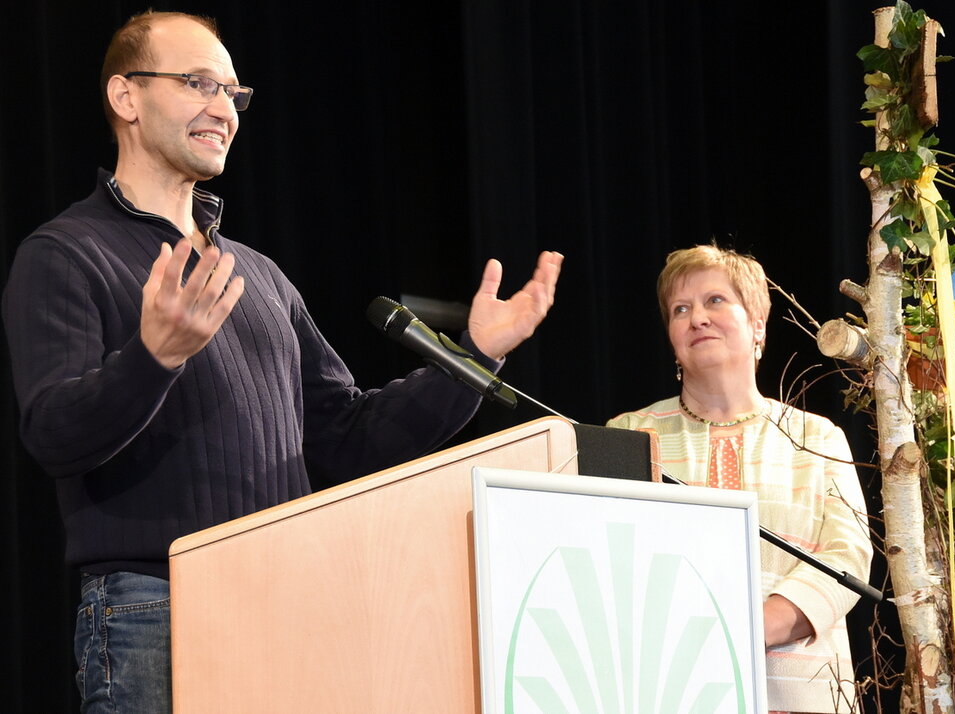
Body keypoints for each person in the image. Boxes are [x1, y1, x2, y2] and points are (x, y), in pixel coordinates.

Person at [1, 11, 562, 714]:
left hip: (288, 602)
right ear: (126, 98)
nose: (223, 110)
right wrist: (153, 358)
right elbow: (53, 433)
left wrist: (475, 356)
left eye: (233, 93)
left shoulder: (258, 276)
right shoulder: (65, 255)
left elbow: (348, 438)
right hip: (154, 609)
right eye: (199, 83)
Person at [606, 244, 870, 713]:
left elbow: (848, 556)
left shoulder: (817, 436)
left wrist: (754, 626)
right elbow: (611, 560)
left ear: (758, 326)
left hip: (798, 693)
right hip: (665, 688)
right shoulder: (630, 433)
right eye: (680, 309)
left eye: (715, 301)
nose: (697, 318)